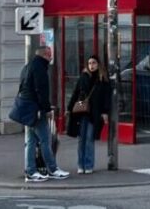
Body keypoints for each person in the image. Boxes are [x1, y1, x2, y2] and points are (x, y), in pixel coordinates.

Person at [19, 45, 68, 182]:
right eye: (50, 54)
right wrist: (46, 110)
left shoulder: (28, 66)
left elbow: (23, 87)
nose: (51, 57)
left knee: (31, 141)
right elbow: (42, 91)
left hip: (28, 109)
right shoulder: (40, 68)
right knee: (45, 140)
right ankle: (52, 169)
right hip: (37, 110)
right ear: (45, 55)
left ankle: (31, 171)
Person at [66, 55, 111, 174]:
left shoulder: (103, 79)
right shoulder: (83, 77)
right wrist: (69, 108)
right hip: (82, 112)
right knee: (81, 139)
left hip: (94, 113)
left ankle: (89, 164)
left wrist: (105, 112)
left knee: (89, 139)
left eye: (94, 63)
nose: (92, 65)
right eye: (90, 63)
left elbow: (107, 97)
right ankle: (80, 165)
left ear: (98, 64)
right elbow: (75, 93)